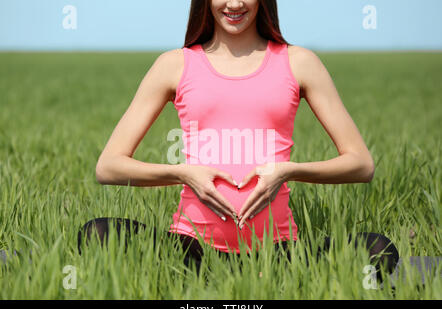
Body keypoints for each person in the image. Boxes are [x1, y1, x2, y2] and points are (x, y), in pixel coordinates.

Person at [78, 0, 399, 281]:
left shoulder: (298, 62)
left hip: (277, 250)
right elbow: (109, 167)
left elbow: (360, 163)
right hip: (191, 248)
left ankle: (248, 280)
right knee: (97, 234)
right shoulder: (175, 64)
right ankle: (214, 279)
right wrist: (183, 173)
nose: (234, 4)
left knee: (379, 249)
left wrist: (287, 171)